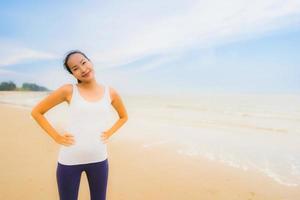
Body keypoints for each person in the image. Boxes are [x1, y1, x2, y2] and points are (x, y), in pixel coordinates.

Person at [30, 50, 128, 200]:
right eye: (75, 68)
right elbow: (37, 112)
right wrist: (56, 137)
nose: (83, 69)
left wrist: (109, 133)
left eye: (83, 62)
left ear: (90, 62)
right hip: (70, 160)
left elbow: (123, 117)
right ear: (72, 74)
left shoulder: (111, 93)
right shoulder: (68, 90)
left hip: (99, 159)